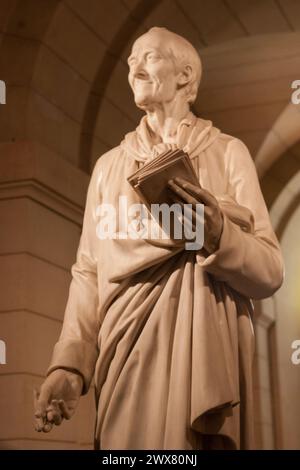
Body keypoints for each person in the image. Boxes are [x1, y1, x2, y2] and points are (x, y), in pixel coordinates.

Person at [34, 27, 284, 450]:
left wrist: (220, 233)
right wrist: (70, 363)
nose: (133, 68)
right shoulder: (109, 167)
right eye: (130, 61)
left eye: (147, 57)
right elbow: (89, 271)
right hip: (126, 352)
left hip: (203, 358)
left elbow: (270, 271)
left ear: (185, 75)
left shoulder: (227, 153)